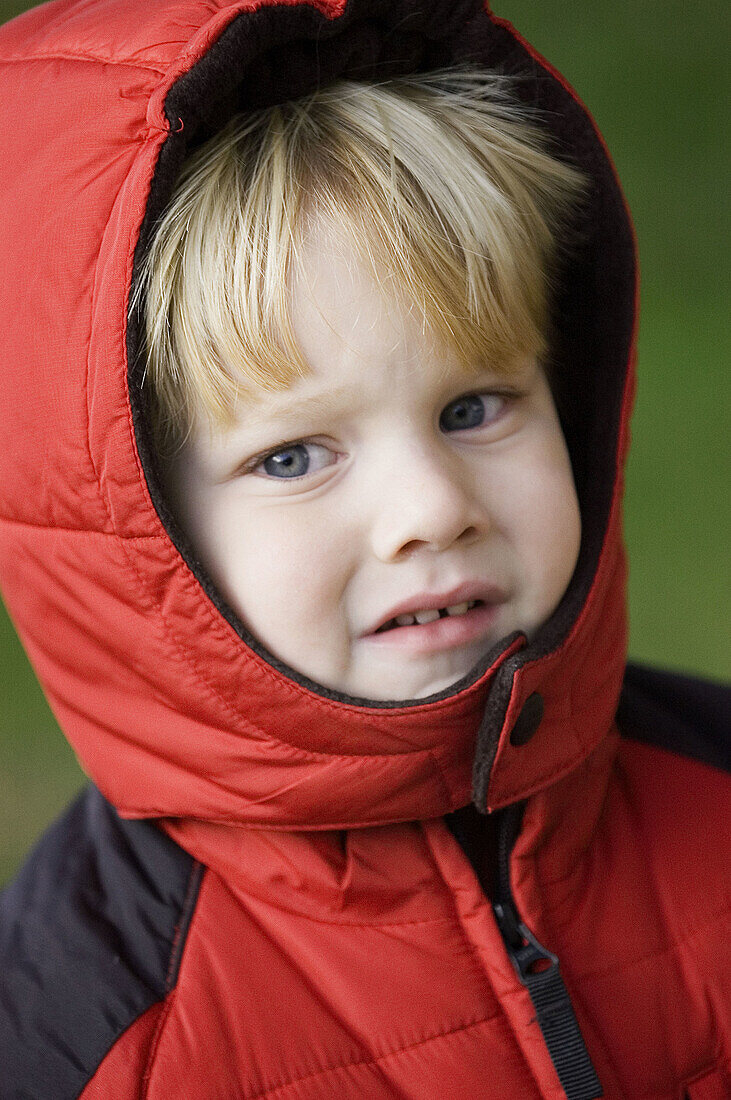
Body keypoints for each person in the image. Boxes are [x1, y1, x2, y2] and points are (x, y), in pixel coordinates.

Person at [0, 2, 727, 1099]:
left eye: (475, 404)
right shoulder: (93, 1030)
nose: (431, 509)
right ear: (133, 524)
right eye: (293, 457)